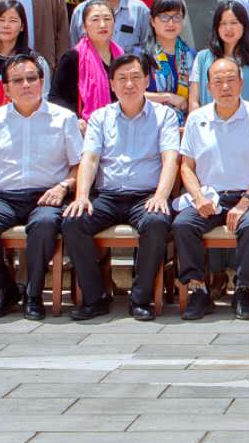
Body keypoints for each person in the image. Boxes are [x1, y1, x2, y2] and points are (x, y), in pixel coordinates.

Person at [62, 54, 182, 321]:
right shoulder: (100, 117)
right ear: (112, 84)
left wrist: (161, 195)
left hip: (146, 197)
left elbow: (170, 159)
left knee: (156, 222)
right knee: (73, 221)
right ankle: (95, 298)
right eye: (122, 78)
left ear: (147, 81)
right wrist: (82, 196)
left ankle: (140, 299)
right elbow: (90, 159)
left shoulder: (164, 116)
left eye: (136, 77)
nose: (129, 84)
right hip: (107, 196)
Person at [0, 53, 81, 322]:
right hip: (5, 197)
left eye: (31, 78)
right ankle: (3, 290)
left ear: (42, 82)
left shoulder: (64, 118)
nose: (25, 85)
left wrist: (63, 187)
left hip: (47, 196)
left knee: (45, 224)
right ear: (5, 88)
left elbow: (79, 165)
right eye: (17, 80)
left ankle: (33, 293)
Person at [172, 56, 249, 320]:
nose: (225, 87)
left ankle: (243, 289)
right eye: (218, 81)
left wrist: (244, 203)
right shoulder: (197, 119)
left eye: (231, 80)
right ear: (208, 87)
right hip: (210, 197)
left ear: (241, 83)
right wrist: (198, 197)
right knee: (183, 225)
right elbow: (186, 167)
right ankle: (198, 289)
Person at [191, 1, 249, 119]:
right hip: (211, 126)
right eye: (223, 23)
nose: (228, 28)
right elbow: (194, 101)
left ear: (244, 25)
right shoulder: (202, 58)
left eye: (234, 23)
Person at [53, 0, 123, 117]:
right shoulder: (72, 58)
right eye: (95, 19)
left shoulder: (121, 57)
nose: (102, 25)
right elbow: (56, 98)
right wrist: (75, 119)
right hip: (84, 125)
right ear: (84, 26)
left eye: (107, 19)